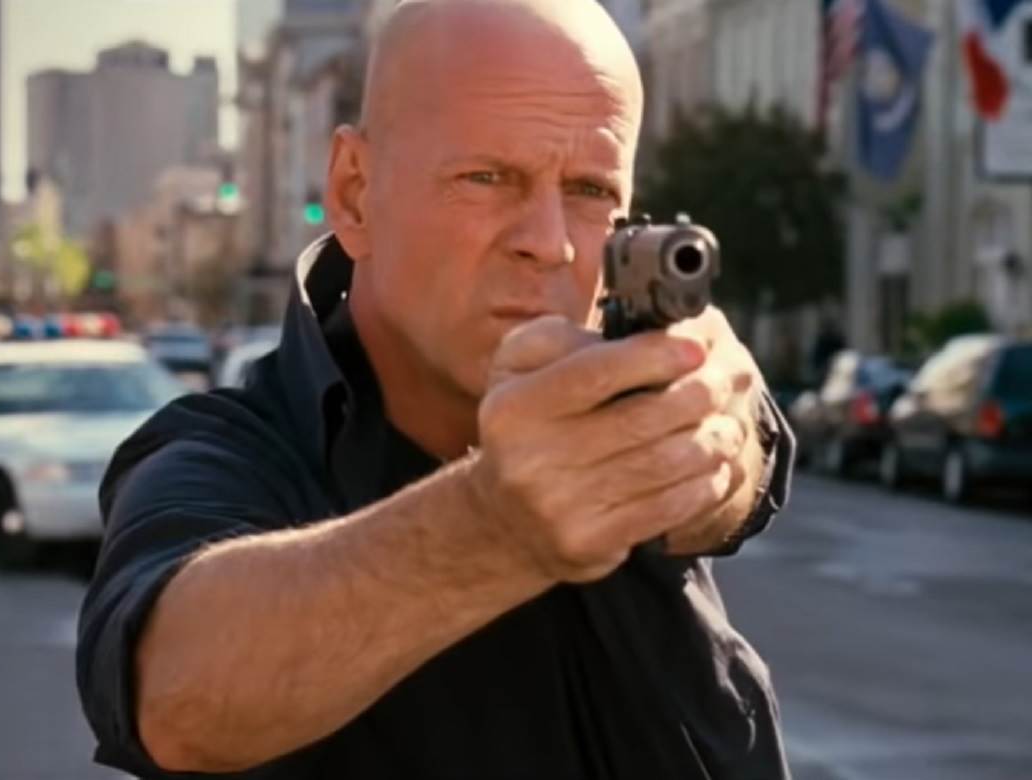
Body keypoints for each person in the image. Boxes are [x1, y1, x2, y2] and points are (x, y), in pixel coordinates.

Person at [77, 1, 796, 777]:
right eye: (486, 179)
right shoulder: (223, 452)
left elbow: (747, 452)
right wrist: (495, 525)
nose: (548, 242)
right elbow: (177, 696)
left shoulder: (631, 386)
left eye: (590, 191)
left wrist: (709, 458)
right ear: (355, 193)